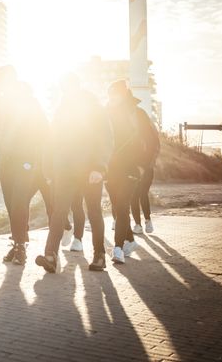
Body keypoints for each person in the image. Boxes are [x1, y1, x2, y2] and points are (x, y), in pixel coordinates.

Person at [34, 74, 111, 273]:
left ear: (77, 86)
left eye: (69, 87)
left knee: (93, 211)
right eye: (64, 88)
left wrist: (100, 167)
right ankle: (51, 255)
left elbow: (105, 139)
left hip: (89, 170)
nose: (67, 91)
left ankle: (100, 256)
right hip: (64, 170)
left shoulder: (94, 108)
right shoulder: (61, 110)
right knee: (58, 211)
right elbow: (50, 140)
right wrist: (48, 168)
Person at [0, 66, 50, 266]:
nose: (0, 87)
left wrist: (33, 155)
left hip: (26, 161)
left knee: (19, 202)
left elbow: (44, 130)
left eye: (2, 82)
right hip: (5, 161)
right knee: (11, 204)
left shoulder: (30, 102)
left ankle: (20, 247)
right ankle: (18, 242)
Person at [104, 80, 153, 265]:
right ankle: (130, 241)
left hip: (131, 167)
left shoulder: (137, 114)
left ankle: (118, 249)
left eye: (115, 94)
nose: (112, 98)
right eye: (110, 95)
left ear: (124, 94)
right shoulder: (106, 114)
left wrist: (143, 165)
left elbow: (151, 142)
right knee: (117, 207)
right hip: (110, 168)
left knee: (122, 205)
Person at [131, 107, 161, 235]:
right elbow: (156, 149)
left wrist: (143, 166)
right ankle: (146, 222)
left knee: (136, 195)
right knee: (142, 194)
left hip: (140, 167)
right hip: (145, 167)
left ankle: (139, 224)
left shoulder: (135, 132)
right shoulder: (151, 133)